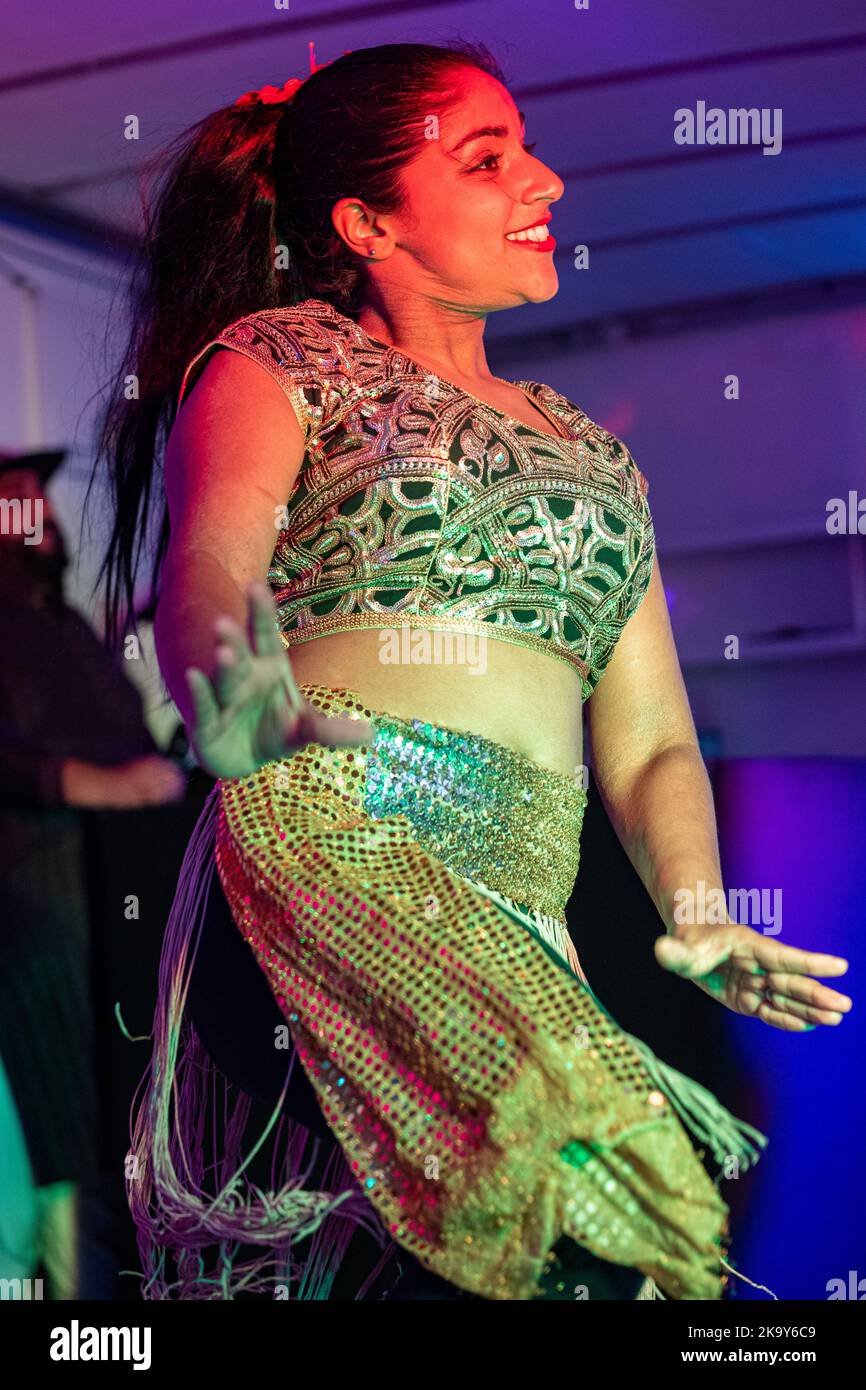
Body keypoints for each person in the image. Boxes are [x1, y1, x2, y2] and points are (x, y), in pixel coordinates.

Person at [89, 40, 852, 1301]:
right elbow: (212, 559)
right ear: (367, 222)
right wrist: (222, 678)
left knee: (558, 1257)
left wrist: (699, 909)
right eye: (487, 158)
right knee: (609, 1184)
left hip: (521, 893)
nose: (543, 180)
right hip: (338, 819)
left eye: (529, 149)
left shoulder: (597, 455)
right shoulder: (278, 360)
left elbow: (653, 736)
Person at [0, 448, 186, 1298]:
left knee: (124, 1112)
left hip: (112, 901)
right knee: (64, 1129)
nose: (35, 509)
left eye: (39, 494)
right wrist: (96, 783)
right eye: (14, 497)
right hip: (36, 910)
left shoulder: (65, 625)